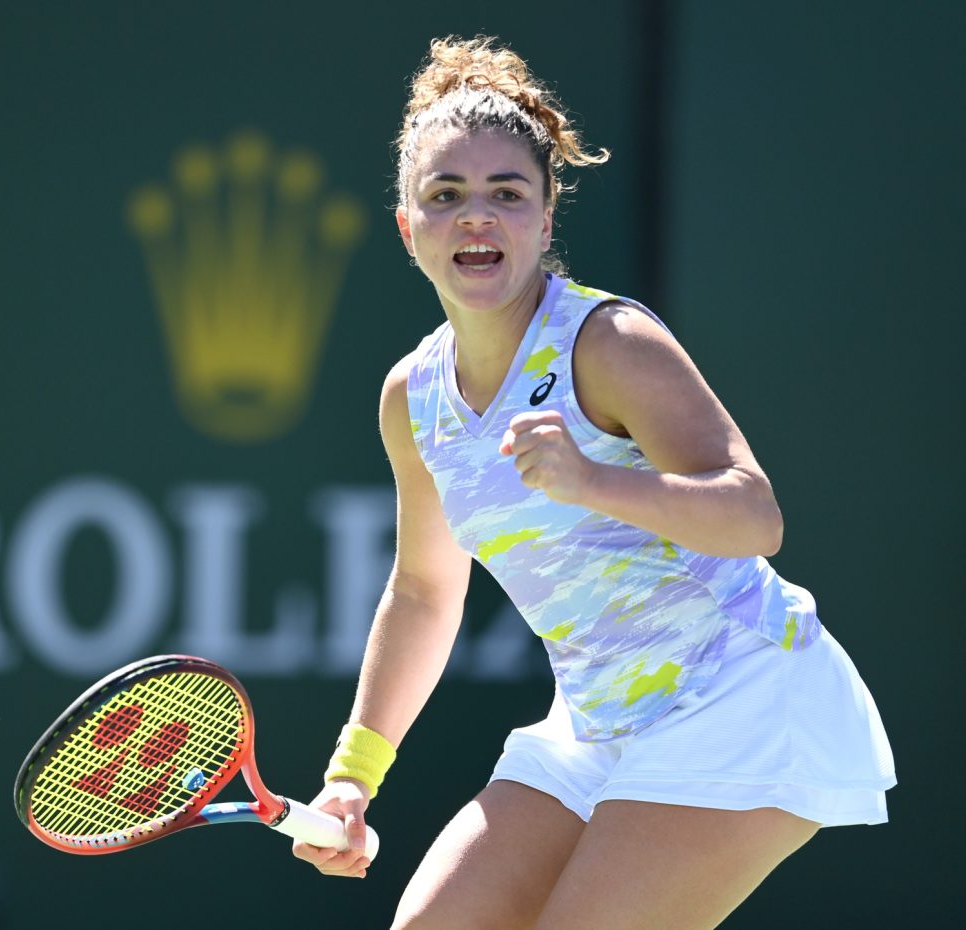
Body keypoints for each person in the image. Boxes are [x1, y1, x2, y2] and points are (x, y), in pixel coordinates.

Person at [292, 35, 896, 930]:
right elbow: (424, 591)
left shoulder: (608, 345)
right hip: (596, 725)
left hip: (745, 697)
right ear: (406, 225)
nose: (477, 218)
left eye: (508, 194)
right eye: (446, 196)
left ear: (544, 219)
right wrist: (351, 780)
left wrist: (593, 481)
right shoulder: (410, 397)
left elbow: (754, 514)